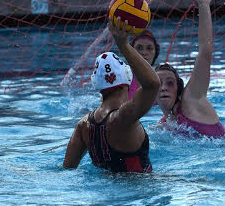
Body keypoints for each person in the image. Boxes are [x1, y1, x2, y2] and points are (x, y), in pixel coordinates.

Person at [63, 17, 160, 173]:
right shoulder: (124, 116)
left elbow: (66, 170)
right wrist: (124, 45)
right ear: (128, 76)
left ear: (97, 84)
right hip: (140, 190)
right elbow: (153, 84)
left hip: (103, 195)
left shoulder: (83, 125)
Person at [155, 0, 225, 138]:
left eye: (169, 83)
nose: (163, 88)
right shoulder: (162, 126)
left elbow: (205, 50)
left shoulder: (191, 100)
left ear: (179, 88)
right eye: (159, 84)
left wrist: (204, 5)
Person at [128, 29, 160, 98]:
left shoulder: (163, 81)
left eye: (149, 48)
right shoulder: (122, 80)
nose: (144, 53)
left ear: (156, 53)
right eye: (139, 48)